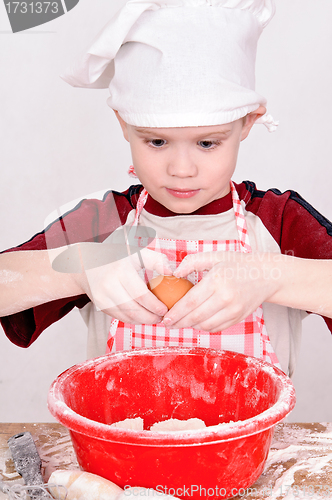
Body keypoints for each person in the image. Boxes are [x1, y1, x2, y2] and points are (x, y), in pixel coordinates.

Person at [1, 0, 332, 378]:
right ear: (123, 124)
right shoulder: (105, 220)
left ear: (247, 123)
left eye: (207, 143)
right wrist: (80, 270)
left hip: (247, 439)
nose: (181, 169)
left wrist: (274, 275)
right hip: (124, 437)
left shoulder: (278, 221)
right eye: (156, 142)